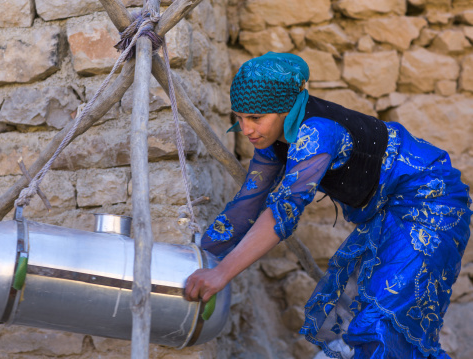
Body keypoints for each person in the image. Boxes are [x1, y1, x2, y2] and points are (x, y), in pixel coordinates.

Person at [184, 52, 472, 358]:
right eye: (239, 118)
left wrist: (221, 273)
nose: (246, 130)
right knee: (379, 325)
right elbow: (245, 206)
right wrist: (199, 259)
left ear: (288, 108)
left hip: (432, 204)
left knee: (384, 325)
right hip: (388, 211)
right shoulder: (271, 143)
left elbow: (282, 213)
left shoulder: (317, 134)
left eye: (256, 118)